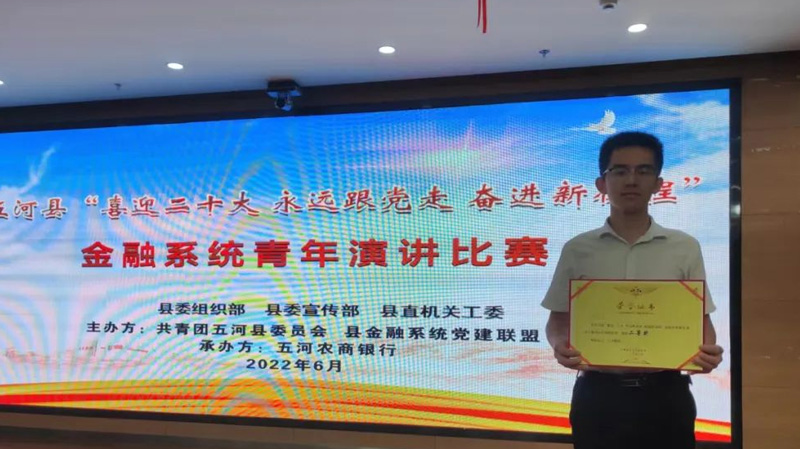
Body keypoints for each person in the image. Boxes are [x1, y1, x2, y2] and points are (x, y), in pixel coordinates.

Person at [541, 132, 724, 449]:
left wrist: (707, 352)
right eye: (620, 171)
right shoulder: (577, 249)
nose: (631, 180)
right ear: (602, 183)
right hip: (598, 396)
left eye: (643, 171)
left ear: (658, 183)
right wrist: (560, 345)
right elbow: (558, 319)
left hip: (666, 395)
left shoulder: (685, 247)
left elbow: (700, 320)